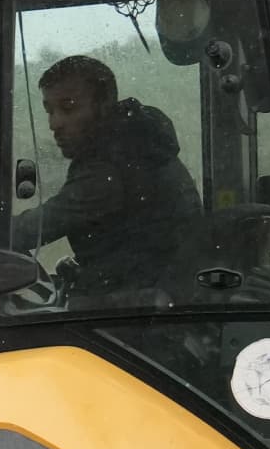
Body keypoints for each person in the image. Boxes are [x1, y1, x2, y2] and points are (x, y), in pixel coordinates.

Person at [12, 54, 192, 296]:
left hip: (135, 315)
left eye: (68, 107)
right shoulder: (138, 144)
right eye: (49, 111)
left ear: (104, 104)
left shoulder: (111, 163)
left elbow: (35, 229)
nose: (54, 124)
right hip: (149, 295)